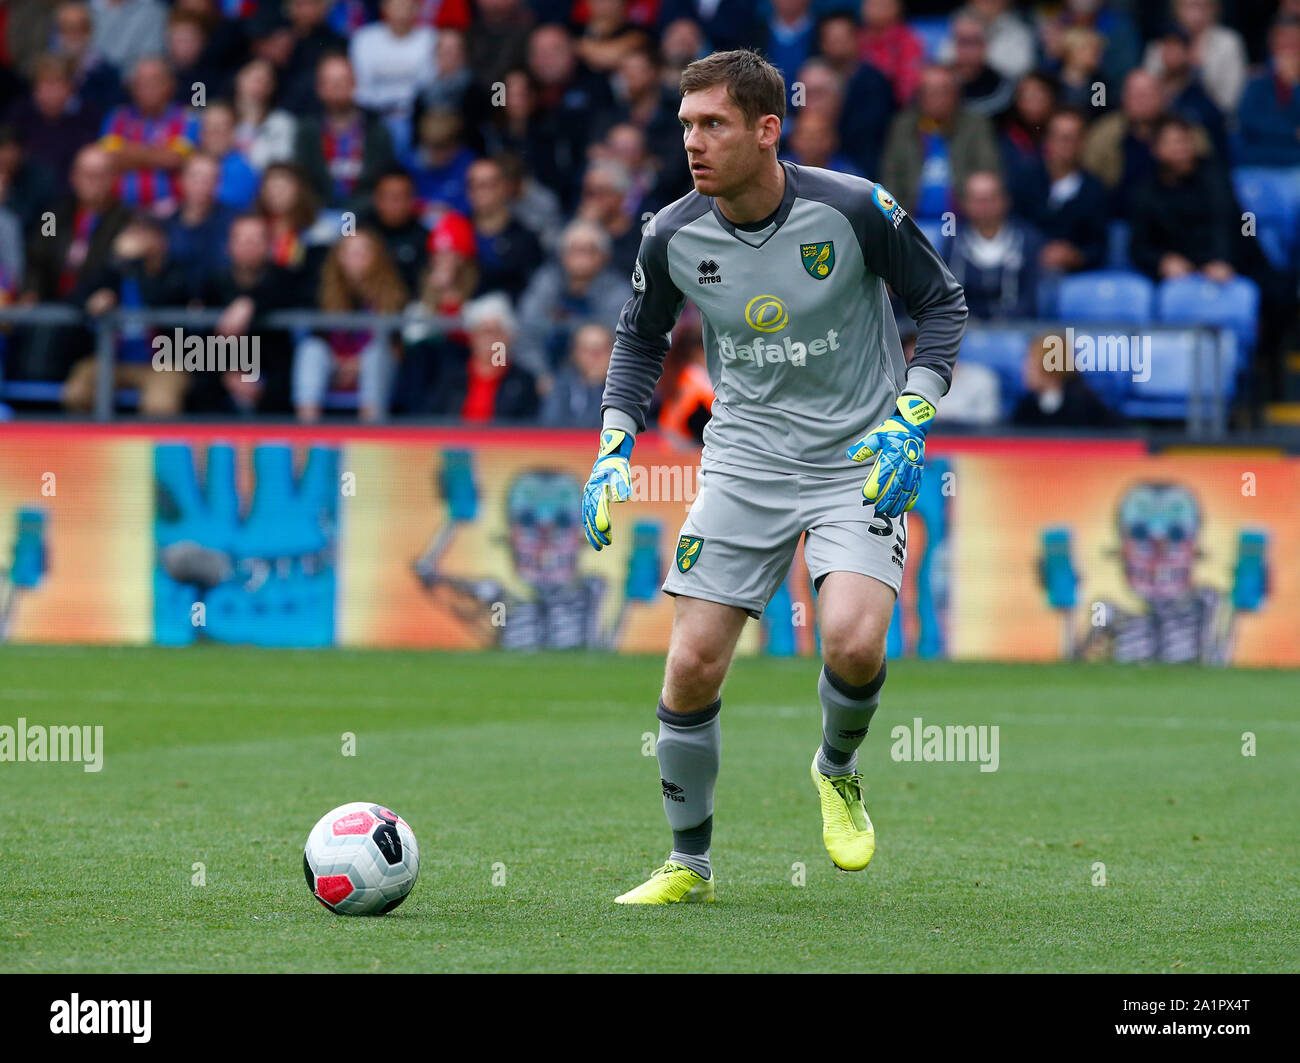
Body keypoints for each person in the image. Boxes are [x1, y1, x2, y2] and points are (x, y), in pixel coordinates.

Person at [586, 50, 966, 903]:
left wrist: (914, 412)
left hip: (859, 456)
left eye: (713, 123)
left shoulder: (854, 209)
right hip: (746, 460)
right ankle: (689, 863)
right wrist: (615, 440)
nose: (693, 141)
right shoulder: (672, 233)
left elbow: (942, 304)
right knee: (688, 666)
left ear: (767, 129)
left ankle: (837, 768)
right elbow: (639, 337)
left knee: (855, 641)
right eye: (685, 125)